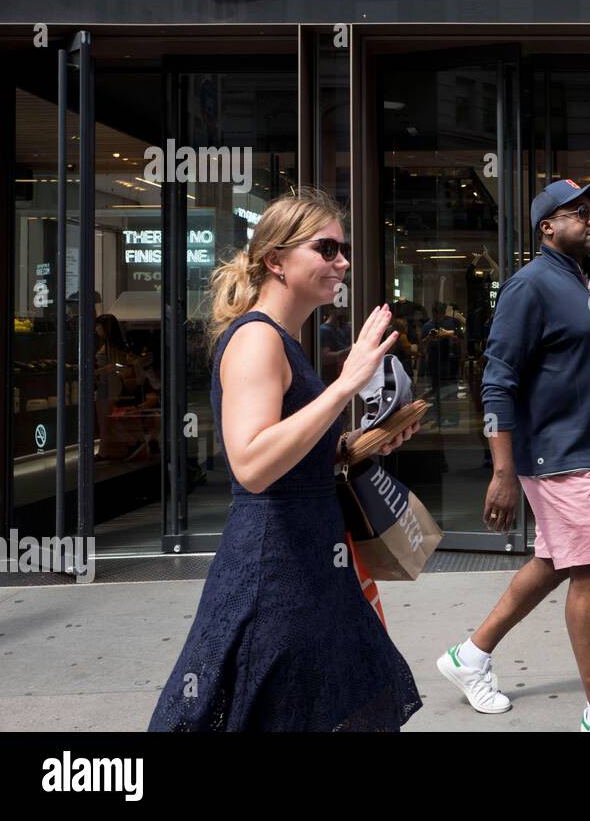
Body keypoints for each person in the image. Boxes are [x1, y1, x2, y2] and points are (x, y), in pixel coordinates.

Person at [149, 190, 422, 731]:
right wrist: (346, 385)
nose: (341, 261)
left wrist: (356, 447)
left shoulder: (287, 339)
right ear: (276, 260)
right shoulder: (257, 340)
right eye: (326, 249)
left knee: (331, 700)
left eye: (342, 249)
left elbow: (291, 448)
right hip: (276, 568)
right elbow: (250, 464)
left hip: (310, 557)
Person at [435, 179, 590, 732]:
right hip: (555, 453)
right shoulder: (528, 287)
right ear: (547, 226)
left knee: (556, 561)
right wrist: (502, 471)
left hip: (586, 448)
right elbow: (497, 383)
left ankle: (470, 656)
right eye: (578, 212)